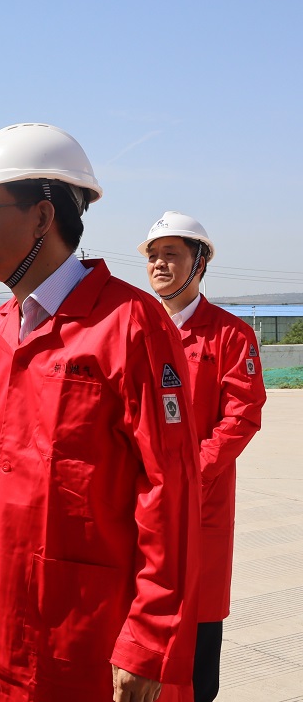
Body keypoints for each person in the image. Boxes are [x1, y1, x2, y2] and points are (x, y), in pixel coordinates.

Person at [0, 123, 200, 702]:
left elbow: (170, 492)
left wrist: (149, 638)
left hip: (85, 634)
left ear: (42, 216)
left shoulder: (130, 326)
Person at [140, 211, 266, 702]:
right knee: (141, 621)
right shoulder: (136, 329)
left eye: (171, 254)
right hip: (139, 501)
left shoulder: (230, 335)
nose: (159, 264)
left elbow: (242, 415)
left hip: (199, 505)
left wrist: (191, 474)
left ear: (200, 263)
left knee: (197, 631)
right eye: (153, 255)